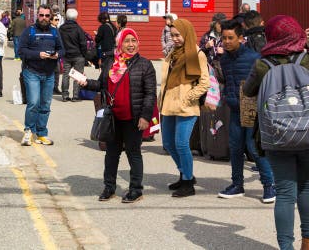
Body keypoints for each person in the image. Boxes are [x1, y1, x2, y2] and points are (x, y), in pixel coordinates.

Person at [243, 15, 309, 250]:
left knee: (284, 192)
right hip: (308, 133)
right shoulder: (306, 58)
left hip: (276, 136)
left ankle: (286, 247)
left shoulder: (263, 64)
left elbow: (249, 91)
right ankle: (307, 243)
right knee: (306, 187)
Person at [77, 27, 156, 203]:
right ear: (119, 44)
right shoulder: (110, 63)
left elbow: (150, 94)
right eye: (126, 41)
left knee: (133, 153)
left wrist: (145, 117)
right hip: (113, 117)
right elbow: (101, 85)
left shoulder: (145, 64)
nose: (130, 45)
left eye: (133, 41)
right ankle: (109, 187)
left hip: (134, 118)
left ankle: (136, 189)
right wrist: (85, 83)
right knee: (111, 154)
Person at [216, 20, 275, 202]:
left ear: (241, 38)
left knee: (254, 148)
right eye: (223, 38)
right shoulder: (224, 59)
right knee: (235, 148)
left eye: (230, 38)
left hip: (253, 110)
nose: (226, 41)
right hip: (234, 109)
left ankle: (269, 186)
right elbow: (225, 80)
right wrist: (225, 96)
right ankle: (237, 185)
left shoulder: (254, 57)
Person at [159, 18, 210, 197]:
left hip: (186, 106)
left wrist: (188, 98)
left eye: (178, 35)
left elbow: (204, 82)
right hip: (168, 104)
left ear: (187, 33)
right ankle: (185, 173)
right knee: (167, 143)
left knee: (181, 144)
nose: (175, 39)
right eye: (172, 35)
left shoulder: (195, 54)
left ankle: (188, 182)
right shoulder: (172, 53)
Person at [18, 6, 63, 146]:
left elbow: (62, 49)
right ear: (37, 16)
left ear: (51, 17)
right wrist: (38, 55)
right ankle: (28, 131)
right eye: (41, 15)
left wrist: (57, 55)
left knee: (45, 104)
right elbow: (21, 51)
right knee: (33, 103)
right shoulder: (29, 31)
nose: (44, 18)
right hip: (32, 72)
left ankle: (42, 133)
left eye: (47, 16)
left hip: (49, 74)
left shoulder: (55, 32)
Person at [59, 8, 88, 102]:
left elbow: (59, 42)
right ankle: (76, 96)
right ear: (76, 17)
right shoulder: (79, 29)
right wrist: (85, 55)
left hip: (66, 55)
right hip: (78, 55)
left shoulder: (61, 29)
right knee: (78, 76)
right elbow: (83, 43)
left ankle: (64, 95)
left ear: (66, 17)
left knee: (65, 75)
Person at [95, 12, 117, 77]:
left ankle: (105, 85)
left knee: (104, 71)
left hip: (105, 52)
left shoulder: (102, 27)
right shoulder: (114, 27)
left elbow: (97, 40)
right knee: (111, 70)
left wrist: (97, 35)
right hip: (113, 51)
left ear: (102, 19)